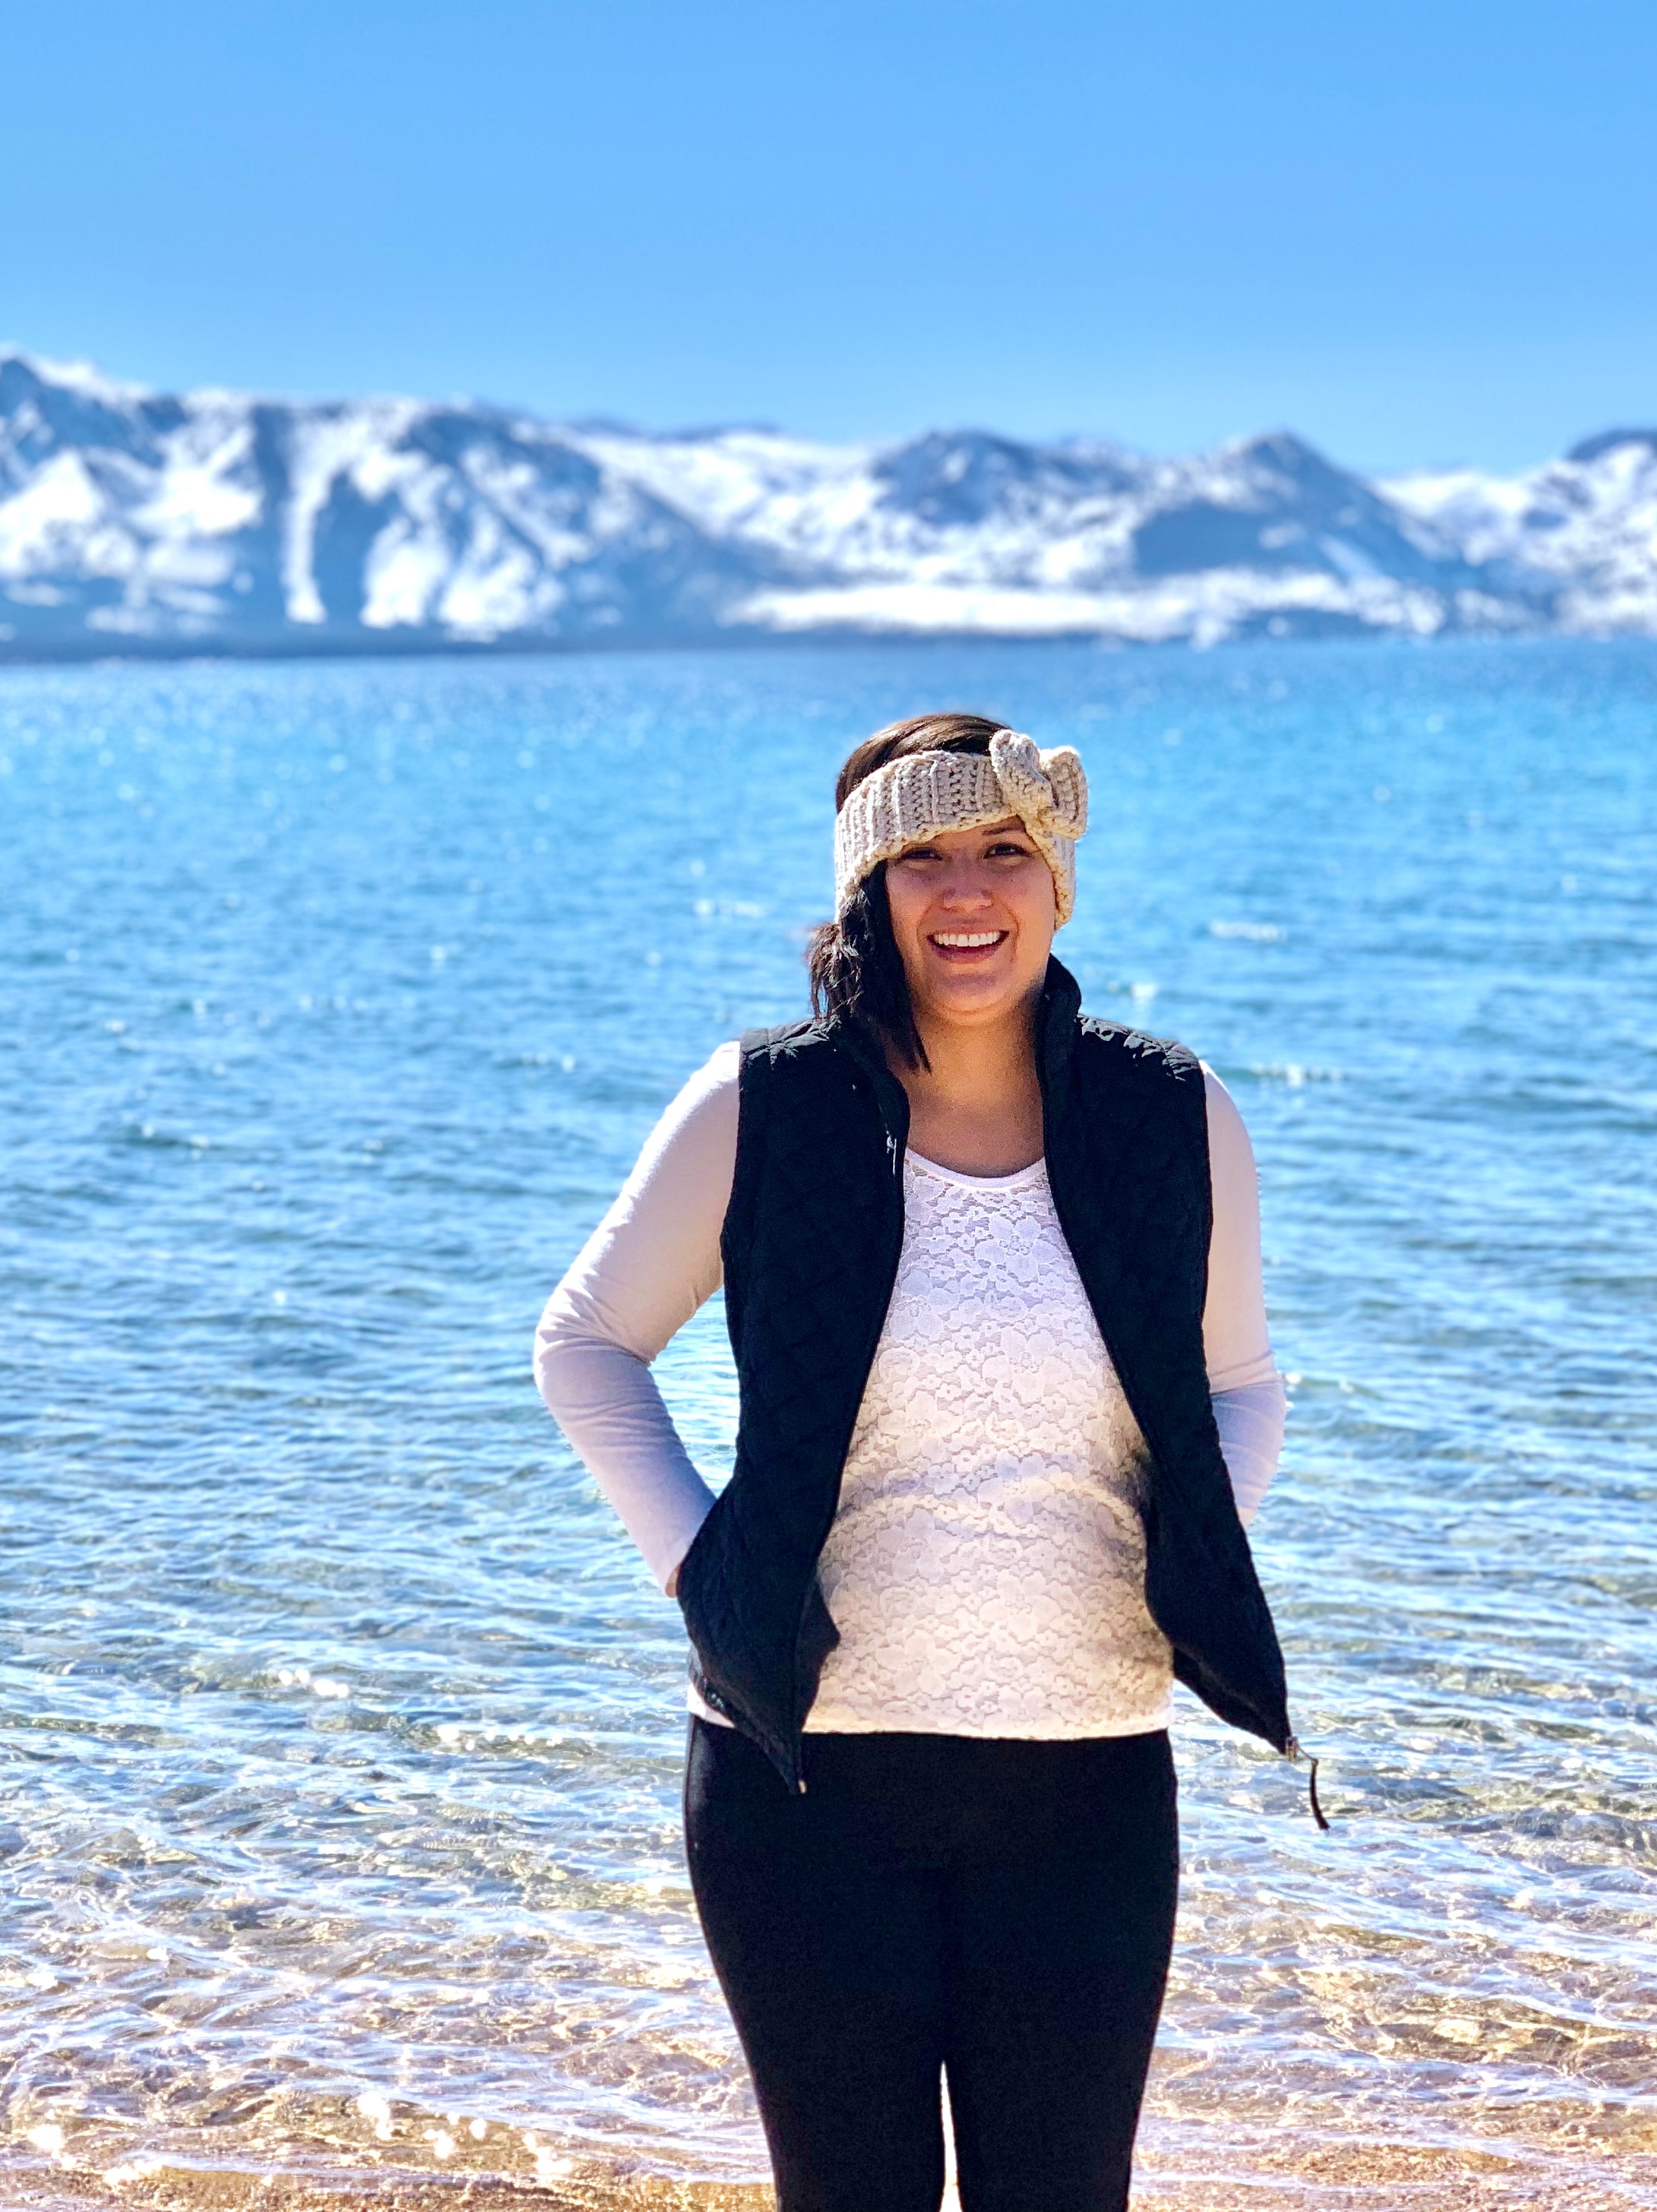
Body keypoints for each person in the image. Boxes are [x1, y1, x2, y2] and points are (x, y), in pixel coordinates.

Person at [534, 713, 1301, 2212]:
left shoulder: (1171, 1112)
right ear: (866, 890)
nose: (966, 892)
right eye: (922, 857)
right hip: (803, 1788)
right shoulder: (765, 1105)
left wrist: (1185, 1565)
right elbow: (586, 1346)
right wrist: (703, 1570)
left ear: (1057, 879)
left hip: (1087, 1781)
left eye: (1004, 850)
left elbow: (1244, 1386)